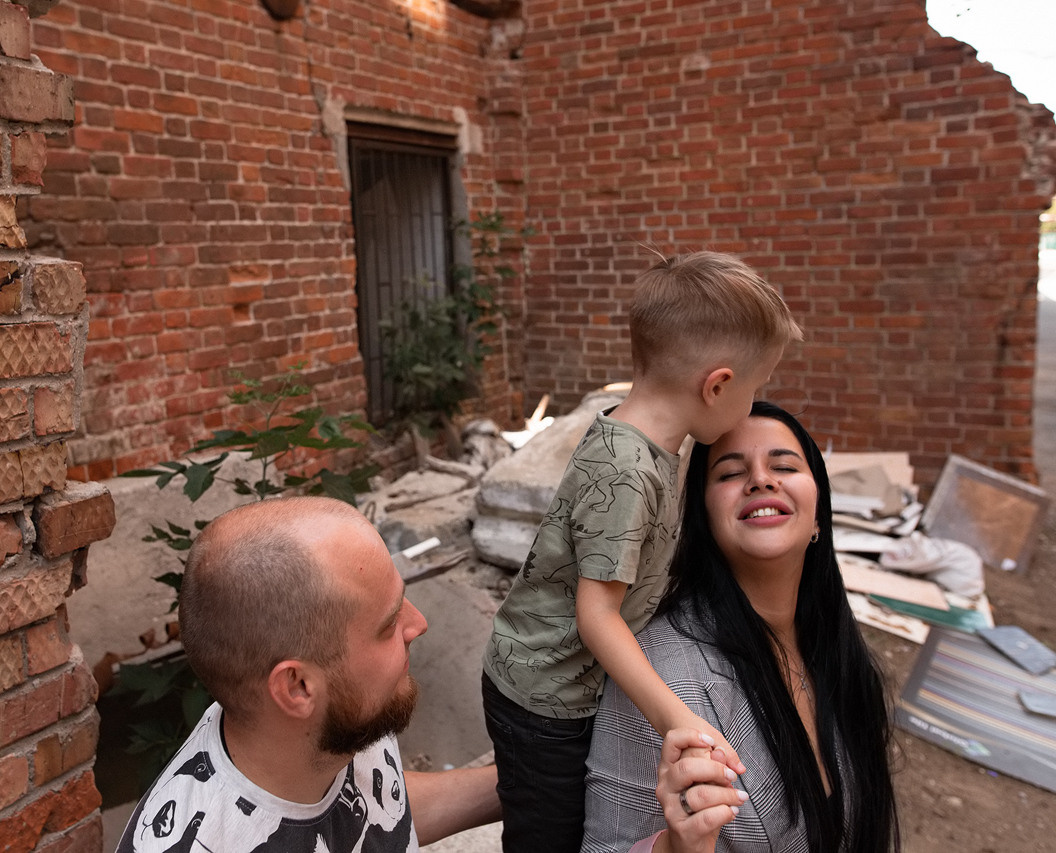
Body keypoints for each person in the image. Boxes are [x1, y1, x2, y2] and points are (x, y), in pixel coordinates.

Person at [481, 251, 803, 852]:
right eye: (757, 388)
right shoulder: (628, 473)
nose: (753, 405)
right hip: (543, 698)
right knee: (547, 838)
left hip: (562, 688)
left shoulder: (651, 447)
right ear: (718, 385)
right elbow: (597, 615)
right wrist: (676, 716)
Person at [582, 402, 901, 853]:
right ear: (703, 520)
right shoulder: (661, 675)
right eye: (730, 473)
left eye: (785, 465)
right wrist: (677, 847)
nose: (761, 479)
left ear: (818, 515)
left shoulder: (835, 647)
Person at [116, 496, 500, 853]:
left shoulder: (329, 723)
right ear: (297, 688)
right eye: (388, 625)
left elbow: (381, 807)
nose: (419, 623)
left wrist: (529, 782)